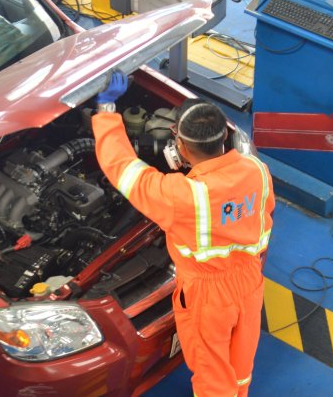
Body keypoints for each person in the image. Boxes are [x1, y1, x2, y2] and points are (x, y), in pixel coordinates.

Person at [92, 72, 274, 397]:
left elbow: (121, 166)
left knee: (211, 374)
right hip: (250, 281)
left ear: (180, 143)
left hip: (209, 297)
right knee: (239, 364)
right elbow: (262, 213)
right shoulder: (256, 170)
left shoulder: (182, 197)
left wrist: (106, 109)